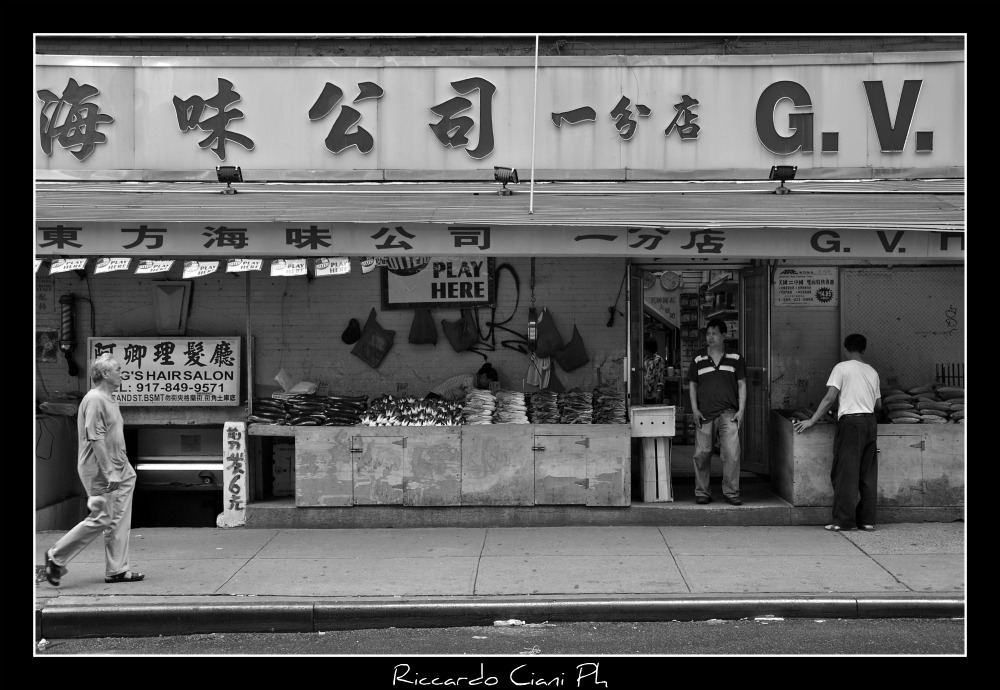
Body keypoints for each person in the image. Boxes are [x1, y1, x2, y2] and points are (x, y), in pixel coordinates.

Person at [43, 354, 145, 586]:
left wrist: (123, 468)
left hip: (120, 467)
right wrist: (110, 471)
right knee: (103, 517)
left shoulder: (110, 399)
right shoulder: (95, 399)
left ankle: (117, 569)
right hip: (100, 469)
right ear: (105, 374)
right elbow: (95, 438)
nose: (122, 373)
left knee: (119, 519)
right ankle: (56, 556)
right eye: (118, 369)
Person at [793, 333, 882, 531]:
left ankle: (844, 521)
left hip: (851, 424)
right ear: (864, 349)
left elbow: (829, 398)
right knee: (867, 474)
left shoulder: (841, 368)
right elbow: (878, 405)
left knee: (846, 473)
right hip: (870, 422)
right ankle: (867, 521)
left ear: (845, 348)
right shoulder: (872, 372)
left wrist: (812, 420)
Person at [688, 319, 746, 505]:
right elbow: (692, 384)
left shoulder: (736, 358)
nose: (710, 337)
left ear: (724, 335)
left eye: (714, 333)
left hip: (729, 413)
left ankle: (731, 492)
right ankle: (702, 492)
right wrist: (694, 409)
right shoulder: (698, 358)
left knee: (731, 453)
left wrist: (741, 410)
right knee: (701, 454)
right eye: (708, 334)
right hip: (704, 414)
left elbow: (742, 384)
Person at [642, 338, 666, 404]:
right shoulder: (645, 359)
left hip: (654, 395)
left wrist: (659, 392)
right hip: (644, 394)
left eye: (645, 348)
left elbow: (660, 378)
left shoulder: (658, 360)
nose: (644, 350)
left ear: (649, 349)